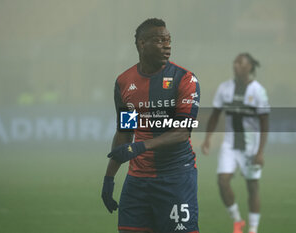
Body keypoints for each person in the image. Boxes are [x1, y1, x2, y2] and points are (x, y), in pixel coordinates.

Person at [101, 18, 200, 233]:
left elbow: (182, 132)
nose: (167, 45)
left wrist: (141, 147)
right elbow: (125, 132)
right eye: (159, 40)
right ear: (142, 43)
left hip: (175, 178)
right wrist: (109, 177)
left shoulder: (184, 79)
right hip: (138, 181)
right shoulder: (124, 82)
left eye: (169, 40)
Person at [201, 53, 269, 233]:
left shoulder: (258, 91)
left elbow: (264, 123)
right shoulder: (225, 88)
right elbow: (215, 115)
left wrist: (260, 151)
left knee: (252, 186)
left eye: (240, 62)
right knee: (222, 181)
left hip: (251, 147)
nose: (235, 65)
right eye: (235, 62)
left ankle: (253, 229)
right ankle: (237, 219)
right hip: (230, 144)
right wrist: (208, 138)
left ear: (249, 67)